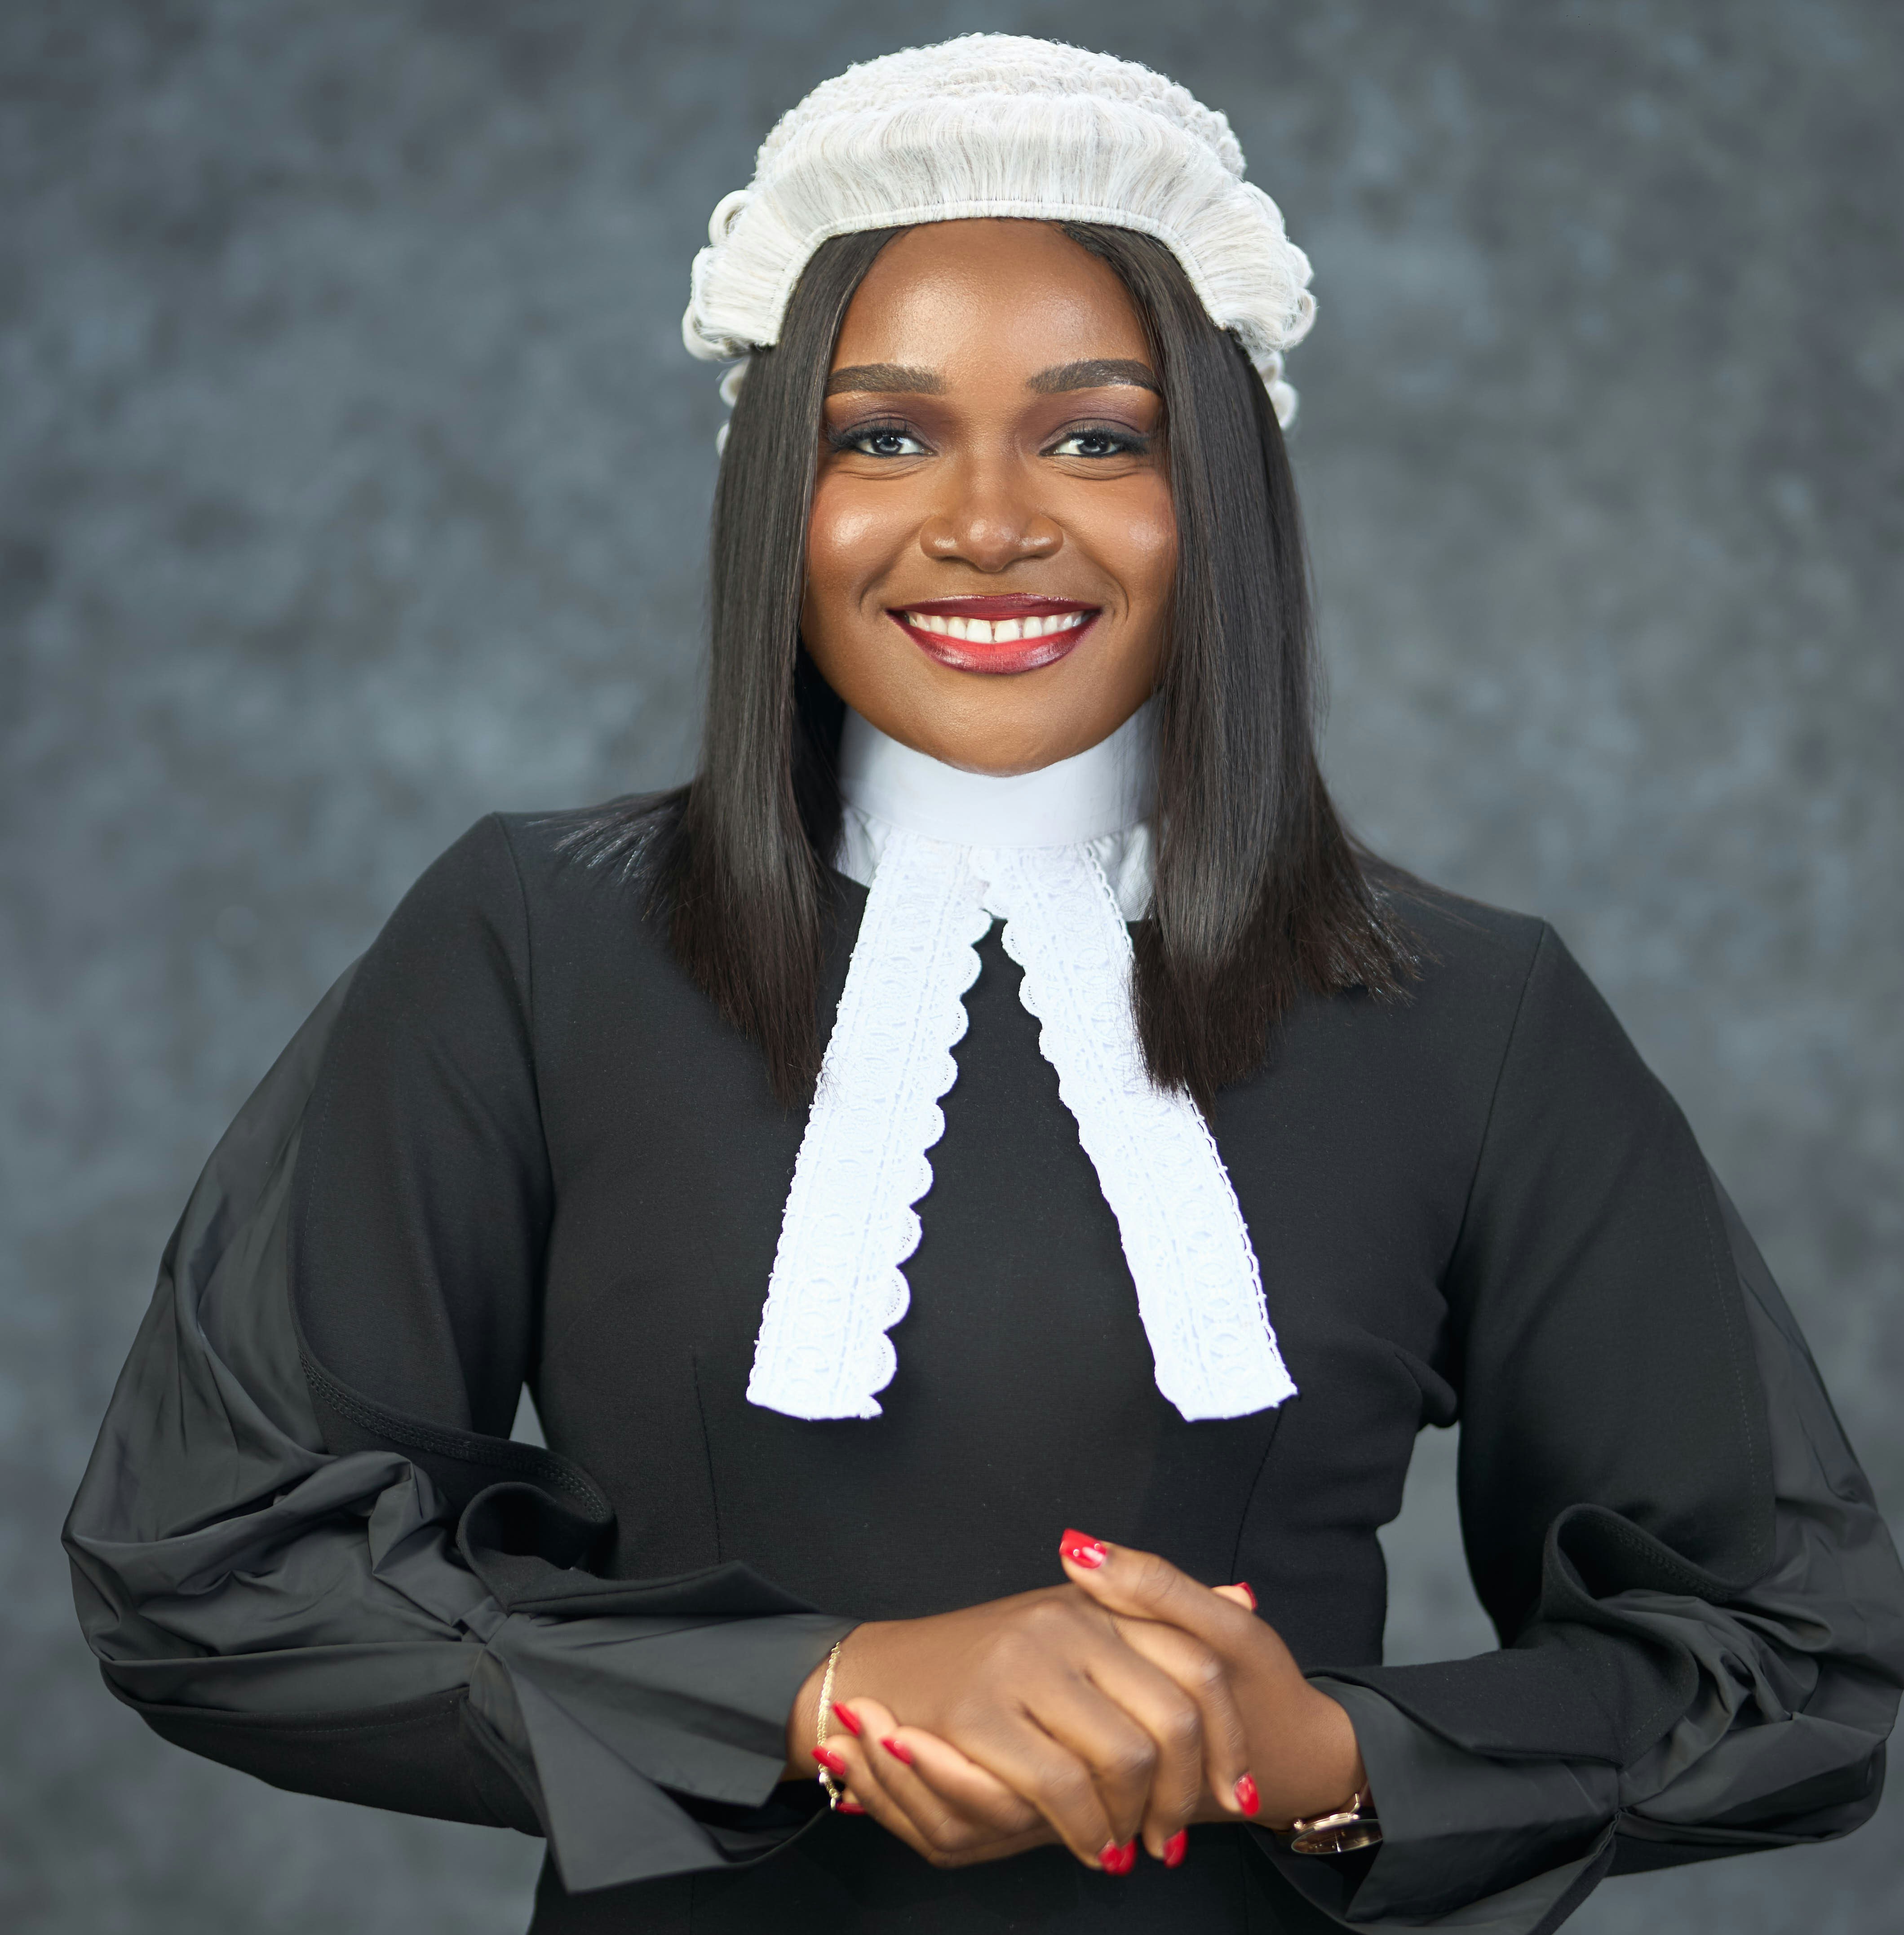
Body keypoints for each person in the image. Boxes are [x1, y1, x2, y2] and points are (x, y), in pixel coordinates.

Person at [64, 33, 1904, 1935]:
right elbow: (213, 1561)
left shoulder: (1468, 1011)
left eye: (1095, 435)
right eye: (883, 434)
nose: (990, 519)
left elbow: (1787, 1659)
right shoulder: (533, 943)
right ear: (777, 487)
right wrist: (824, 1696)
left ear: (1223, 486)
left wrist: (1327, 1757)